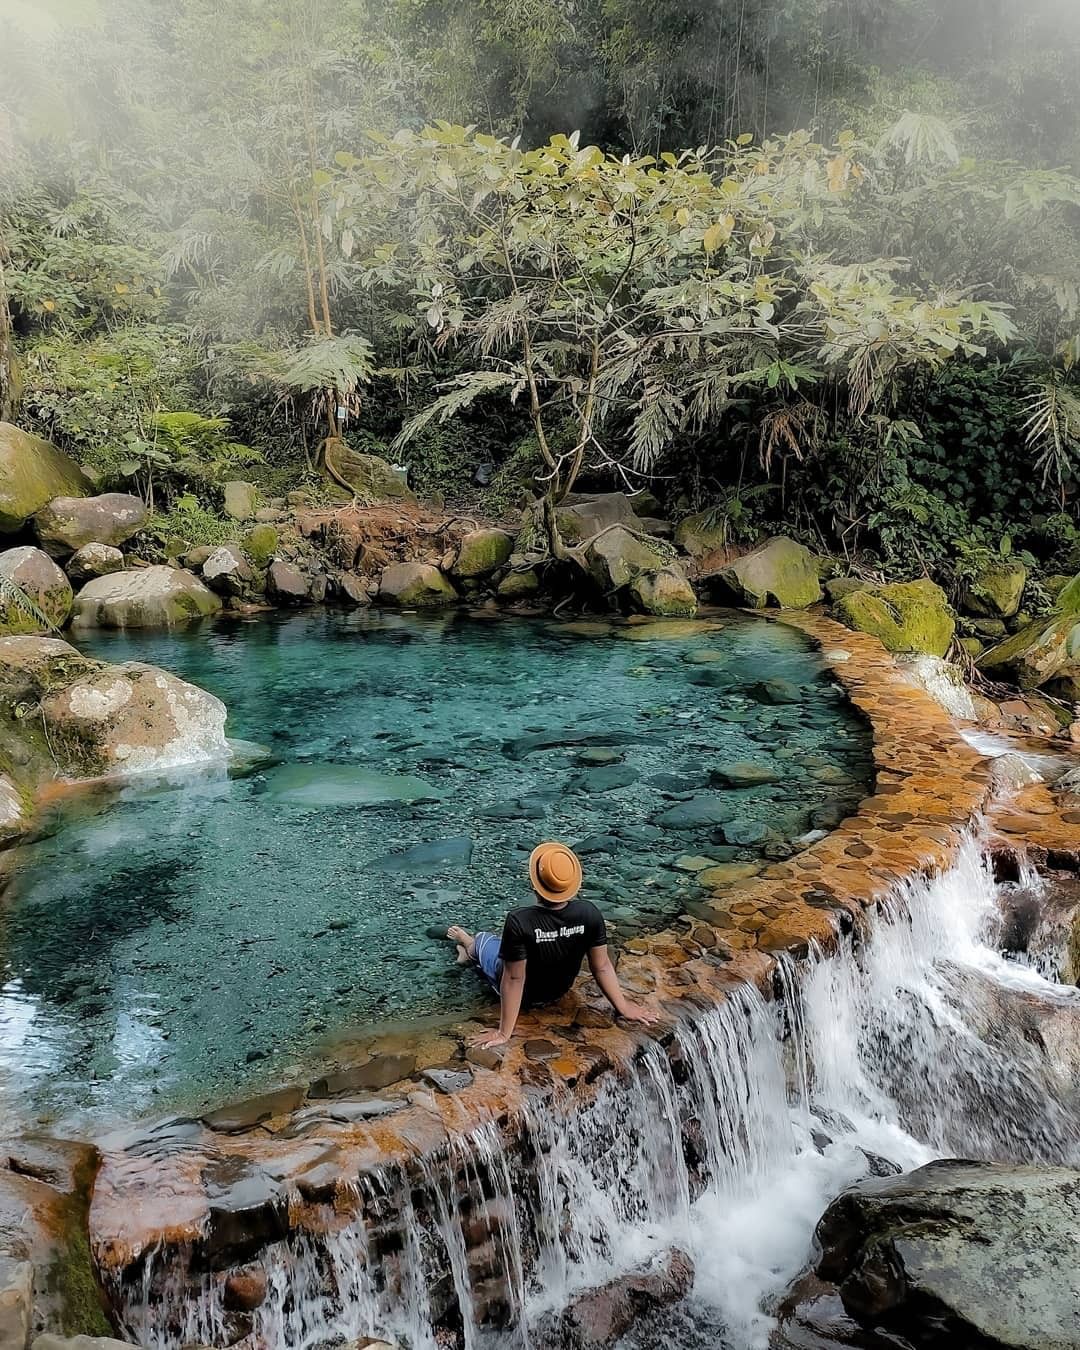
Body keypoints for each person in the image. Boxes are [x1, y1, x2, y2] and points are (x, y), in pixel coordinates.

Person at [444, 841, 659, 1049]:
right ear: (572, 885)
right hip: (558, 990)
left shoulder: (520, 921)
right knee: (509, 948)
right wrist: (624, 1007)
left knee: (484, 942)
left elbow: (514, 978)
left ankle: (467, 947)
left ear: (534, 883)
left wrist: (503, 1033)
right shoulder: (589, 913)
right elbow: (601, 966)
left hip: (528, 994)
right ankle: (468, 952)